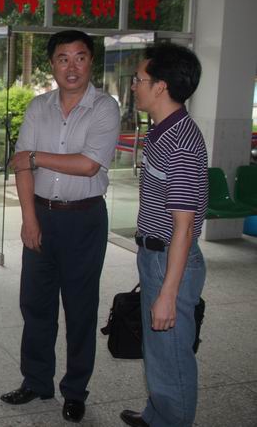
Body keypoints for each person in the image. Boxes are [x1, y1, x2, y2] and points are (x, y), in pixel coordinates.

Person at [2, 30, 120, 423]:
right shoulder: (39, 107)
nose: (72, 66)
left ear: (91, 62)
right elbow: (21, 166)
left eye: (80, 57)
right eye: (63, 58)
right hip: (41, 214)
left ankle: (75, 390)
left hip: (84, 219)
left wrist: (35, 156)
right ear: (51, 64)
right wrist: (29, 219)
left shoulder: (105, 107)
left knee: (80, 307)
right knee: (35, 304)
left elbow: (88, 164)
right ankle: (36, 381)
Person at [119, 44, 207, 427]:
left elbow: (183, 226)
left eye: (138, 79)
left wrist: (168, 294)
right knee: (158, 350)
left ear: (160, 86)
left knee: (172, 357)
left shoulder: (181, 143)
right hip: (155, 255)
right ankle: (156, 415)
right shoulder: (163, 131)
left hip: (170, 259)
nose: (133, 85)